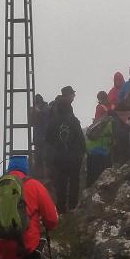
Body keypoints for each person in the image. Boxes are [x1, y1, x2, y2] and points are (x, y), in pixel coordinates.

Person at [46, 86, 83, 214]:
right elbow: (80, 138)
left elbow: (48, 140)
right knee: (74, 181)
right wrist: (82, 152)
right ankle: (73, 206)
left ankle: (60, 209)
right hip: (73, 157)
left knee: (60, 182)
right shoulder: (74, 121)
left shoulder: (53, 122)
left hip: (59, 157)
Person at [28, 94, 50, 188]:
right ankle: (38, 179)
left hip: (44, 138)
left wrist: (37, 111)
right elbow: (31, 122)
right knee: (38, 159)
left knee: (44, 158)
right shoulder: (41, 109)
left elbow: (44, 117)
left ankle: (45, 179)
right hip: (39, 138)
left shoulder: (47, 109)